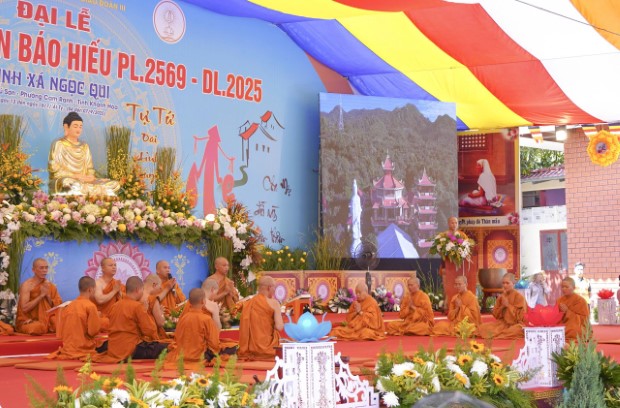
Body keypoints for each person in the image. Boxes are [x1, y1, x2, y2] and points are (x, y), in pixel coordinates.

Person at [93, 276, 167, 363]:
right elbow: (150, 330)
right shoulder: (137, 306)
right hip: (131, 349)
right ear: (137, 290)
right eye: (142, 290)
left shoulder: (114, 306)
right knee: (167, 347)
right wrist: (145, 312)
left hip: (114, 348)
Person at [48, 111, 120, 196]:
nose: (78, 129)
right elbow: (55, 171)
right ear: (66, 127)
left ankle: (87, 192)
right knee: (68, 183)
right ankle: (90, 193)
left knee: (115, 184)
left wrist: (90, 177)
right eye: (75, 126)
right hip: (69, 180)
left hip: (84, 181)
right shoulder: (59, 144)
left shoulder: (84, 146)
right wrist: (75, 176)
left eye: (80, 127)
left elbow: (90, 168)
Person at [47, 277, 101, 360]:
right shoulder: (90, 306)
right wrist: (97, 317)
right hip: (84, 348)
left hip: (68, 348)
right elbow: (93, 332)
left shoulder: (69, 306)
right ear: (90, 290)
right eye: (95, 289)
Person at [165, 288, 221, 367]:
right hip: (199, 357)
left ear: (189, 302)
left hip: (182, 356)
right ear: (203, 301)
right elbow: (214, 344)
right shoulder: (206, 319)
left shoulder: (183, 318)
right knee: (228, 349)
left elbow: (177, 339)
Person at [238, 276, 283, 359]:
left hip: (251, 349)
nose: (274, 290)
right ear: (269, 288)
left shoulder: (249, 303)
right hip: (268, 348)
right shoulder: (274, 303)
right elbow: (279, 327)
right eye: (274, 288)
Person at [16, 258, 63, 335]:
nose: (44, 270)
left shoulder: (50, 286)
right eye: (41, 268)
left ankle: (47, 326)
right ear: (33, 270)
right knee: (36, 328)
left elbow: (57, 307)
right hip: (29, 320)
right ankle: (44, 327)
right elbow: (24, 308)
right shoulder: (27, 285)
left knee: (62, 324)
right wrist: (41, 296)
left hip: (47, 319)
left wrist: (47, 296)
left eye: (46, 268)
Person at [477, 273, 526, 339]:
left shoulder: (519, 297)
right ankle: (502, 333)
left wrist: (508, 305)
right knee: (482, 327)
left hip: (515, 324)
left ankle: (501, 334)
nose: (505, 285)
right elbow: (495, 314)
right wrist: (502, 306)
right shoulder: (501, 297)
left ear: (513, 283)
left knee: (518, 330)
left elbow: (521, 318)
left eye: (507, 283)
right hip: (502, 324)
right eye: (503, 283)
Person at [94, 258, 125, 330]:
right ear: (103, 268)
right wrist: (114, 291)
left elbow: (126, 300)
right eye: (110, 265)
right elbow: (100, 300)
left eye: (115, 265)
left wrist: (119, 292)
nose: (114, 267)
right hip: (101, 317)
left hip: (114, 316)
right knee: (103, 322)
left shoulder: (116, 284)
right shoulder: (98, 283)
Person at [141, 274, 167, 341]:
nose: (160, 290)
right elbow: (160, 323)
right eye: (159, 287)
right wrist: (161, 313)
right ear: (154, 285)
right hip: (150, 338)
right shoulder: (152, 299)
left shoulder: (137, 296)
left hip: (138, 336)